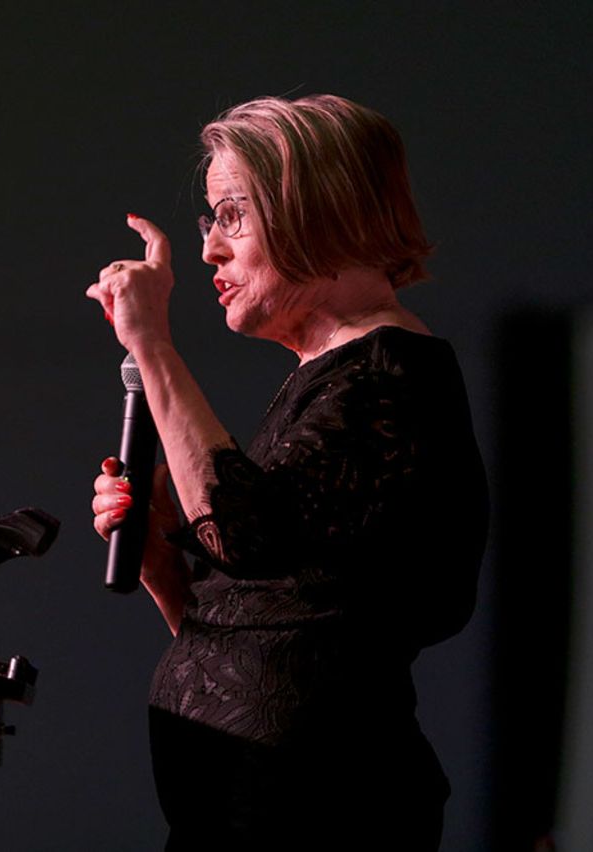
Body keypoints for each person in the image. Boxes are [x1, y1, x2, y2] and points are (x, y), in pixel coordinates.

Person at [86, 94, 487, 851]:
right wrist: (161, 560)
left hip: (321, 819)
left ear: (320, 211)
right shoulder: (331, 378)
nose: (209, 250)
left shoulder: (388, 379)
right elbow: (265, 631)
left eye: (232, 214)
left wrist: (153, 346)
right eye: (209, 221)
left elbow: (243, 532)